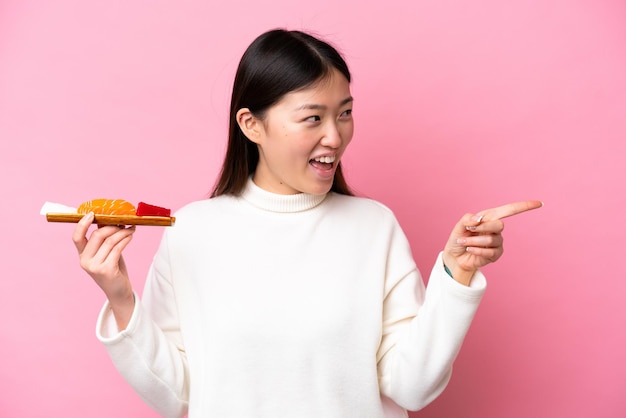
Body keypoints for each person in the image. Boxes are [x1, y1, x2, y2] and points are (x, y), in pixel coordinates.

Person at [72, 29, 541, 418]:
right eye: (312, 117)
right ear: (251, 125)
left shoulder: (373, 228)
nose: (334, 137)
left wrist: (457, 274)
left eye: (345, 113)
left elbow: (412, 387)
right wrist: (120, 297)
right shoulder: (192, 231)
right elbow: (175, 396)